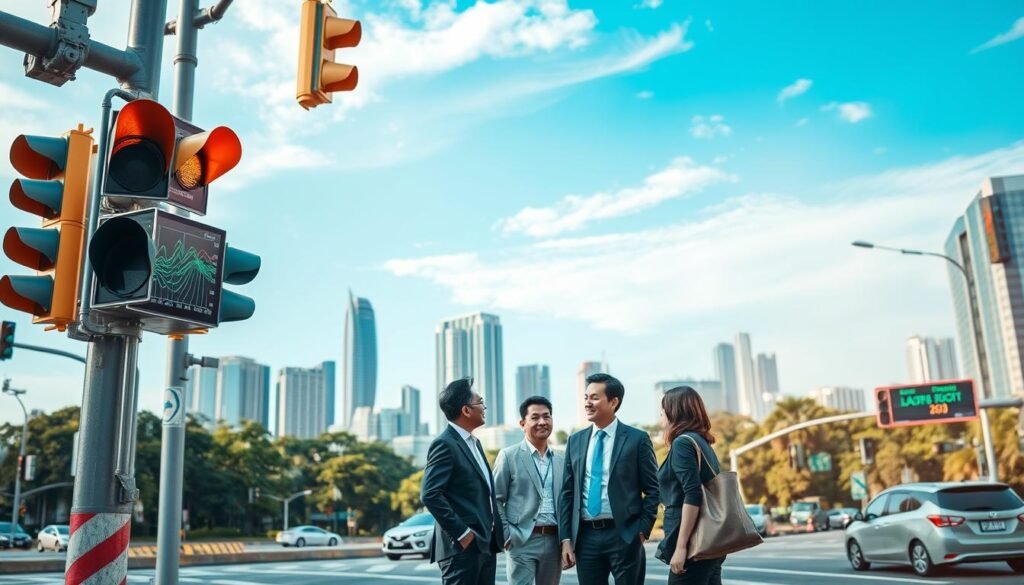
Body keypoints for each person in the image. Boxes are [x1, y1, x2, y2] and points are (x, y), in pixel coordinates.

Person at [558, 373, 659, 584]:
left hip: (625, 535)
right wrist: (566, 539)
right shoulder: (575, 441)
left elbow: (653, 490)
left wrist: (641, 531)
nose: (587, 403)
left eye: (594, 397)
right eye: (586, 397)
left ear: (614, 402)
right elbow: (567, 494)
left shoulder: (637, 439)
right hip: (586, 538)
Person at [421, 377, 504, 585]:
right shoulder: (444, 444)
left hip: (483, 545)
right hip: (461, 548)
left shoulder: (474, 443)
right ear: (466, 410)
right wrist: (462, 533)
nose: (484, 407)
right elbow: (430, 494)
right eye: (480, 402)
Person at [656, 385, 726, 584]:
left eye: (663, 414)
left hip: (695, 543)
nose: (662, 420)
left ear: (673, 413)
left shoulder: (682, 444)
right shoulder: (702, 442)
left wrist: (681, 547)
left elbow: (692, 494)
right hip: (710, 540)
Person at [493, 396, 564, 585]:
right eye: (535, 417)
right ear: (523, 423)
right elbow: (495, 498)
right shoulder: (508, 456)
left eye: (546, 416)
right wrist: (507, 534)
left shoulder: (561, 461)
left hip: (553, 540)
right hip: (522, 539)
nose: (542, 422)